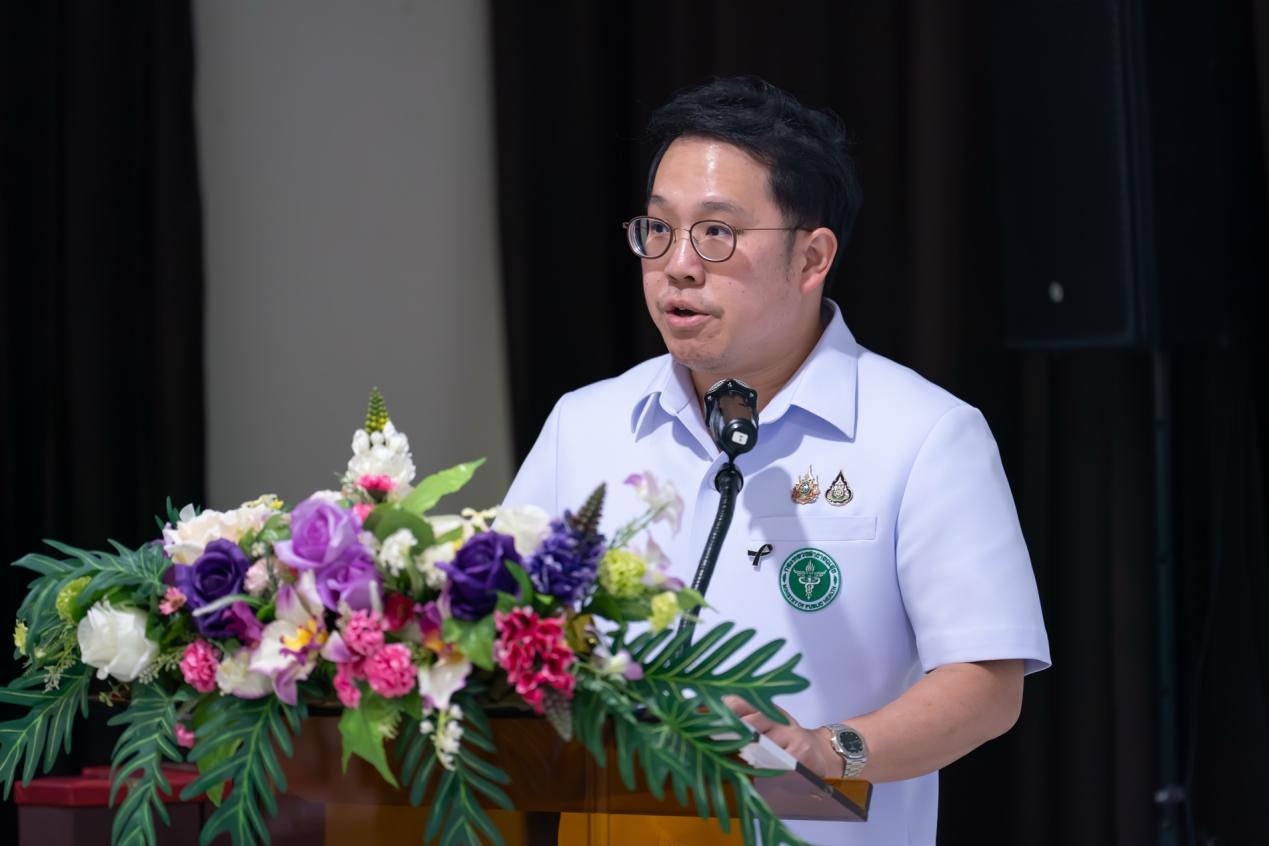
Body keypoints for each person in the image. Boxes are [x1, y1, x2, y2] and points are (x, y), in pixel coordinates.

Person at [501, 77, 1050, 845]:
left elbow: (986, 684)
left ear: (810, 257)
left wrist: (830, 752)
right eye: (657, 229)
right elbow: (497, 625)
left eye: (716, 233)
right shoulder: (583, 423)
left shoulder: (925, 433)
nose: (677, 265)